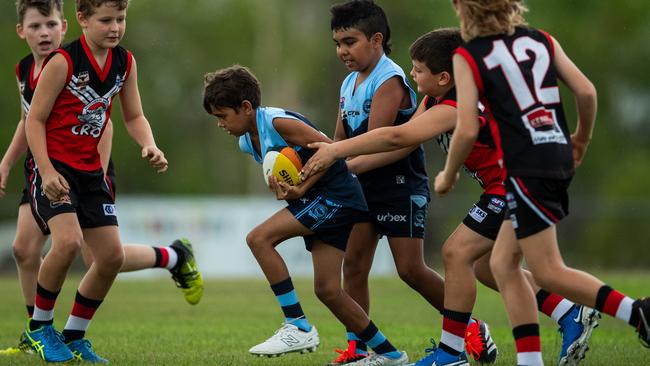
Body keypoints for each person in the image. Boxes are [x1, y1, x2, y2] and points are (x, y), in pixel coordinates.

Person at [303, 27, 600, 366]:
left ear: (444, 77)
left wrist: (335, 152)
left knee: (456, 253)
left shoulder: (455, 105)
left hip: (515, 186)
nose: (411, 73)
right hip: (502, 187)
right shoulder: (433, 100)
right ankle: (569, 312)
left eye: (417, 69)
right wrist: (346, 166)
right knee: (489, 267)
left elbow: (398, 135)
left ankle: (451, 351)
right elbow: (404, 140)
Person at [433, 1, 649, 365]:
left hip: (525, 165)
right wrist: (580, 139)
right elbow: (587, 93)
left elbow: (467, 128)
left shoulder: (468, 56)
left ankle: (638, 312)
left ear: (463, 8)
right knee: (502, 264)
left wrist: (449, 172)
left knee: (548, 269)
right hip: (554, 156)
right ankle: (530, 361)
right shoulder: (541, 40)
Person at [0, 1, 203, 357]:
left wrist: (149, 144)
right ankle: (39, 330)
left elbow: (134, 115)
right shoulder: (62, 62)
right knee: (66, 243)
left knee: (108, 258)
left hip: (91, 172)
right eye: (106, 20)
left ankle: (75, 336)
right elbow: (33, 121)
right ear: (81, 20)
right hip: (55, 171)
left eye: (121, 19)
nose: (115, 27)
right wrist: (45, 171)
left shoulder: (125, 62)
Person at [203, 65, 409, 366]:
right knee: (327, 289)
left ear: (246, 107)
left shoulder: (277, 122)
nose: (220, 124)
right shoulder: (247, 141)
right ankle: (391, 355)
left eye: (223, 115)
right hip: (322, 198)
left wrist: (302, 187)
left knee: (258, 238)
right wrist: (289, 188)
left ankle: (297, 325)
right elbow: (291, 173)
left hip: (339, 194)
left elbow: (331, 149)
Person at [326, 3, 452, 364]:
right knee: (354, 265)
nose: (342, 51)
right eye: (337, 43)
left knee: (410, 269)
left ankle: (469, 328)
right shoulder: (349, 83)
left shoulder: (390, 78)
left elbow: (383, 142)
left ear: (377, 39)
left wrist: (336, 167)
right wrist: (315, 163)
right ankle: (359, 350)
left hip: (399, 186)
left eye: (350, 41)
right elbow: (339, 141)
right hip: (362, 186)